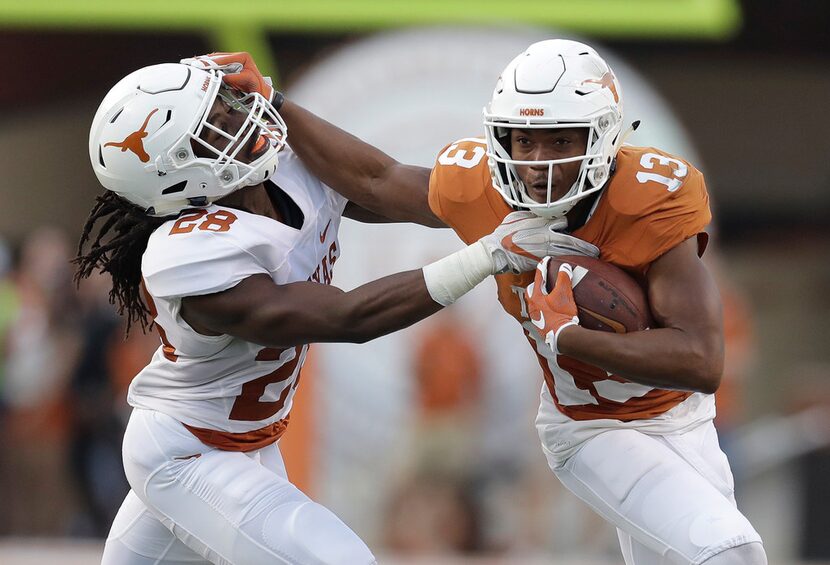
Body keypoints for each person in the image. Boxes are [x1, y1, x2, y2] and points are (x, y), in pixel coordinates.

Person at [206, 39, 768, 564]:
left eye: (560, 139)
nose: (537, 160)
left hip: (682, 419)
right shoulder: (485, 192)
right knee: (727, 550)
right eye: (524, 140)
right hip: (590, 427)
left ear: (603, 135)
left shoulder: (649, 198)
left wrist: (572, 338)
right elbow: (377, 180)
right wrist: (274, 103)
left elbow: (701, 361)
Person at [76, 60, 591, 564]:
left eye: (227, 105)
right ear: (178, 175)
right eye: (214, 122)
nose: (238, 117)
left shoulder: (283, 171)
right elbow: (347, 317)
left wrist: (517, 195)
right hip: (188, 452)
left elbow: (389, 184)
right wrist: (487, 255)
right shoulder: (193, 257)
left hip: (246, 442)